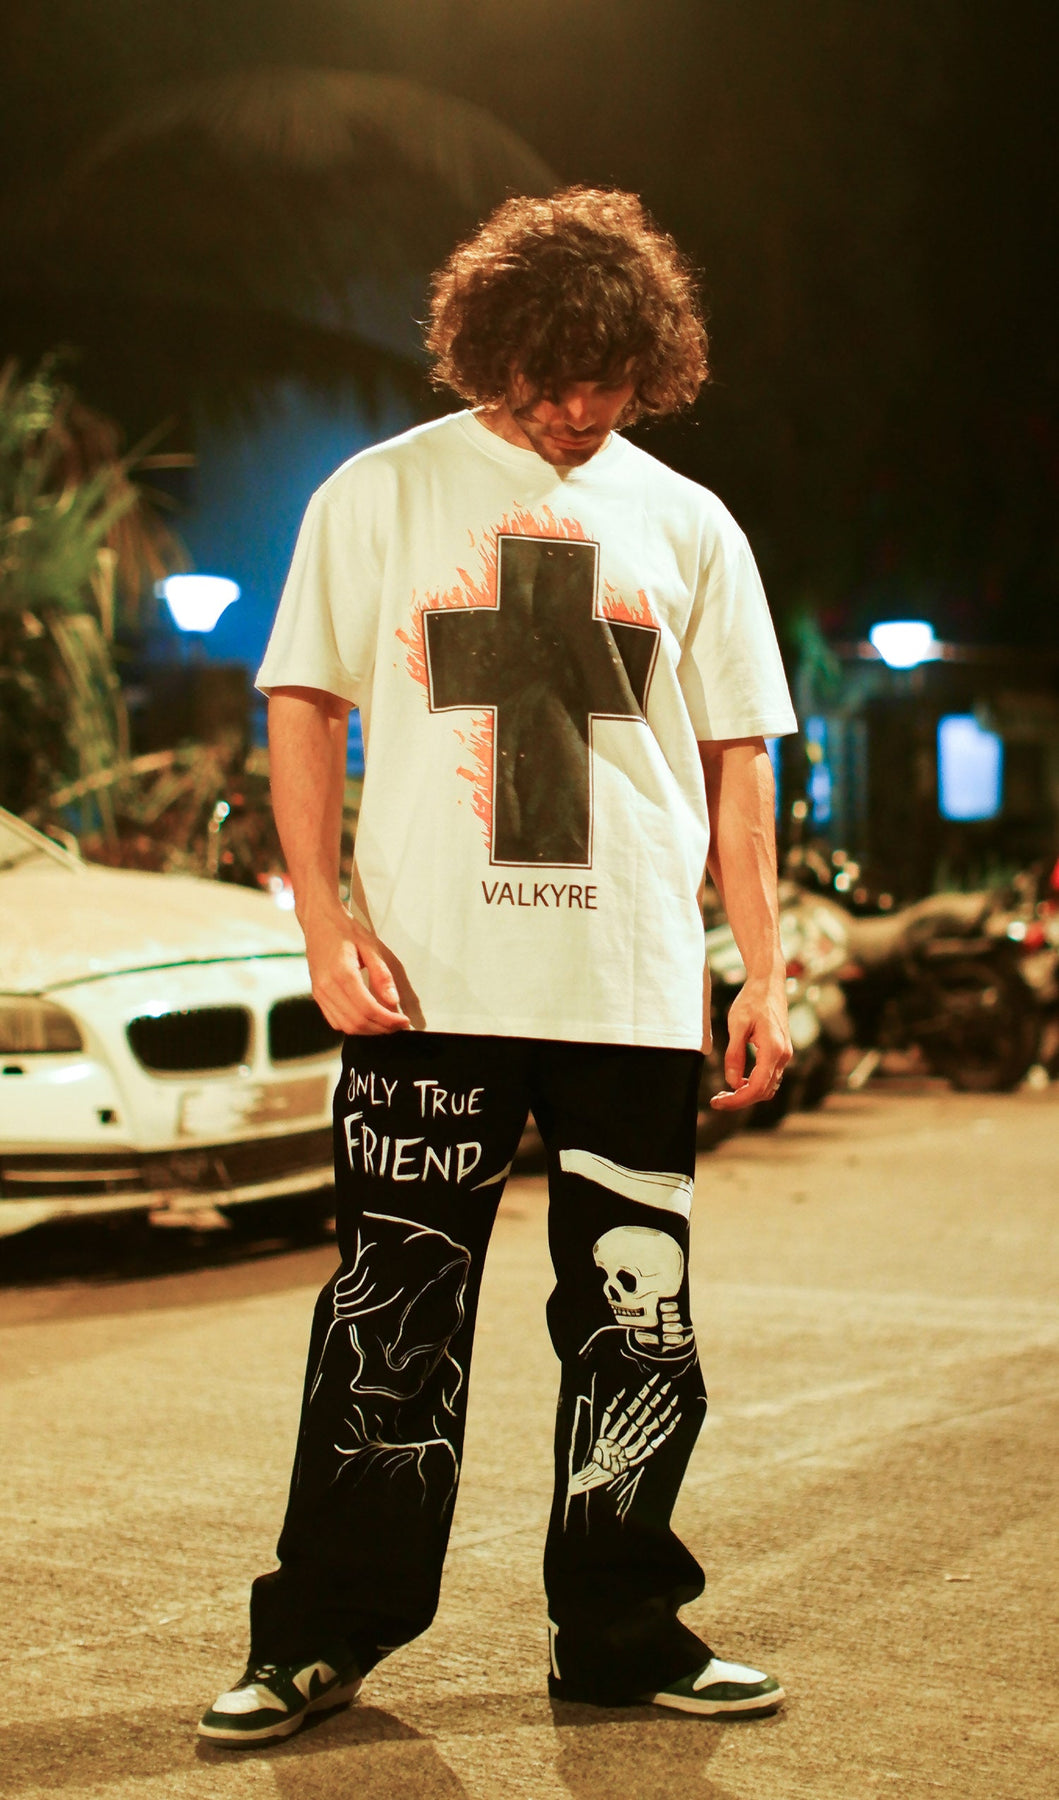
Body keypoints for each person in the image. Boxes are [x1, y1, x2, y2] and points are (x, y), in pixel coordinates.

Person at [199, 187, 797, 1746]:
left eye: (609, 380)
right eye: (548, 377)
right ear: (488, 348)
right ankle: (322, 1633)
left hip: (630, 985)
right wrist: (322, 924)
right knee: (389, 1317)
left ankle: (620, 1630)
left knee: (635, 1325)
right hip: (429, 988)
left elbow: (738, 756)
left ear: (652, 362)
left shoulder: (690, 522)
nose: (577, 409)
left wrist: (763, 969)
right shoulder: (382, 493)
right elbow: (304, 702)